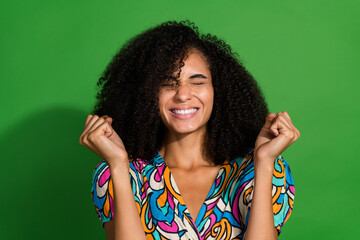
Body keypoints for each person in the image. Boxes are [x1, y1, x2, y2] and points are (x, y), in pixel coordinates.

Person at [79, 20, 300, 240]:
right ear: (147, 93)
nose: (182, 94)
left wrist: (264, 162)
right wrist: (118, 165)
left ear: (218, 90)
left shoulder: (260, 169)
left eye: (197, 82)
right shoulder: (121, 174)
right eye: (168, 83)